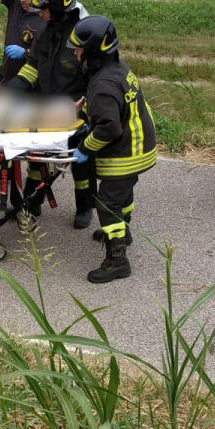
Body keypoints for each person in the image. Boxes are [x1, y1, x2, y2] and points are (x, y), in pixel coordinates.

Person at [68, 16, 156, 283]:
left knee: (107, 204)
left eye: (79, 49)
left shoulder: (103, 85)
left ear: (93, 51)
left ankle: (117, 260)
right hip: (141, 145)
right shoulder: (117, 69)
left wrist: (84, 147)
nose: (76, 53)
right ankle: (123, 233)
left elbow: (108, 128)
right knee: (122, 194)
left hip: (125, 153)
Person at [4, 0, 96, 229]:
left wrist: (81, 111)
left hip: (78, 108)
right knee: (38, 156)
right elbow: (32, 68)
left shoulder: (85, 33)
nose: (39, 15)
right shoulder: (47, 31)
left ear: (55, 10)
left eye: (43, 10)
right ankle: (33, 201)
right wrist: (8, 91)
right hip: (47, 105)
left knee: (81, 163)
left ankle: (85, 205)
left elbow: (96, 80)